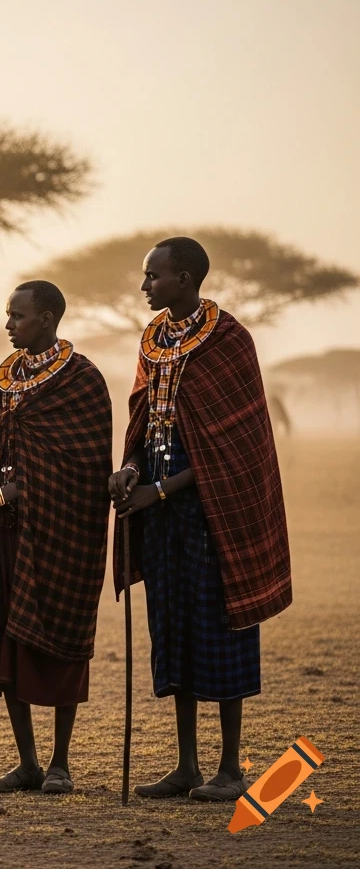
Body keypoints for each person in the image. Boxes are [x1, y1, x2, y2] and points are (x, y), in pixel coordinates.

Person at [109, 236, 291, 802]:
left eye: (153, 277)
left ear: (184, 278)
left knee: (222, 630)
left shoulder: (230, 340)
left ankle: (231, 768)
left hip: (213, 512)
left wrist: (159, 490)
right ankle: (187, 765)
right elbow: (144, 420)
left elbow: (229, 448)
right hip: (161, 509)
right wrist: (131, 469)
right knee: (175, 628)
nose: (144, 286)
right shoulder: (153, 339)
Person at [0, 281, 112, 795]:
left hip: (60, 536)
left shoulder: (82, 381)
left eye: (17, 316)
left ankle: (61, 764)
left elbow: (84, 470)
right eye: (7, 315)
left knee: (61, 643)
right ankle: (27, 762)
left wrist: (7, 495)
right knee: (7, 641)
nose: (8, 325)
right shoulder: (2, 382)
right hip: (4, 537)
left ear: (46, 319)